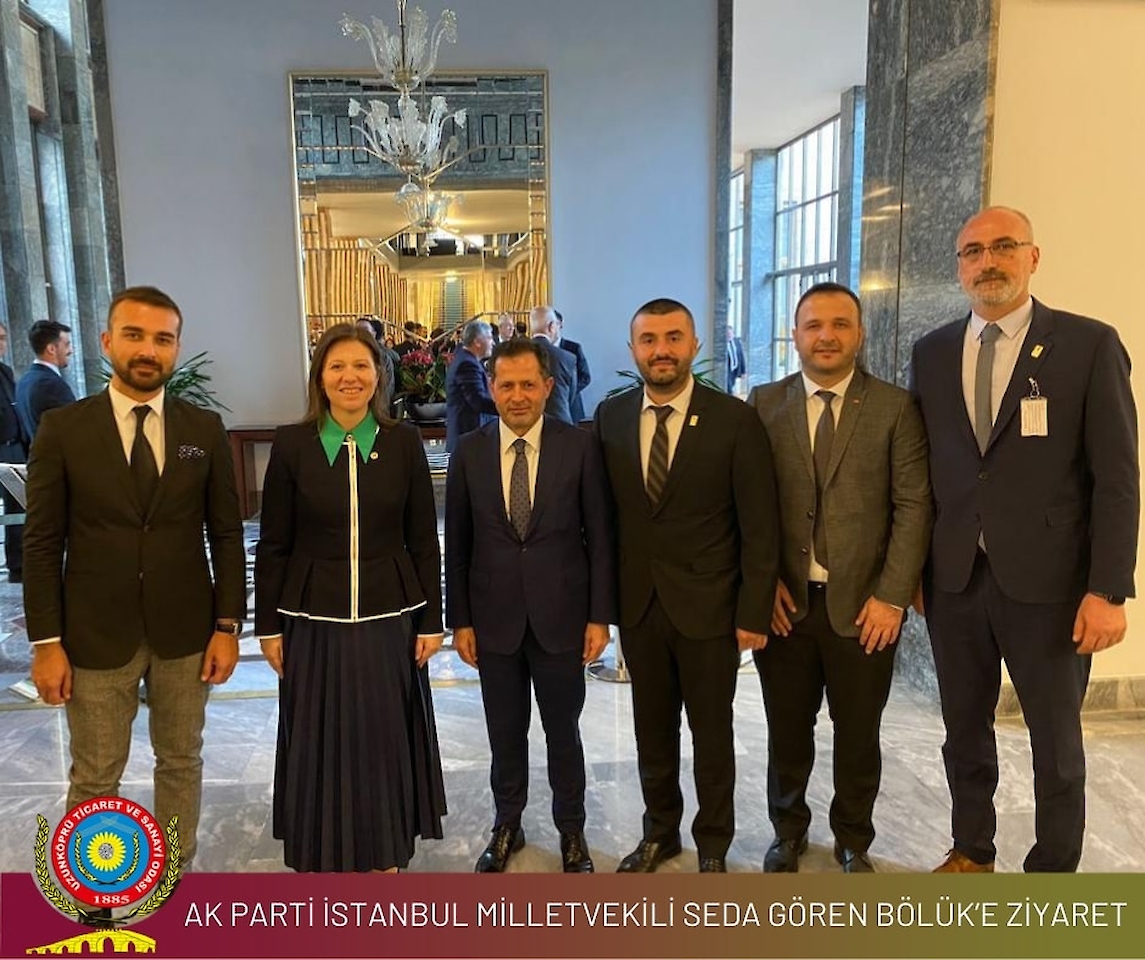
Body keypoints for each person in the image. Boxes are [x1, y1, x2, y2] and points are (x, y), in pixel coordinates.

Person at [910, 206, 1138, 873]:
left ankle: (1051, 873)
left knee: (1055, 744)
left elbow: (1117, 479)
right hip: (955, 581)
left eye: (1003, 246)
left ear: (1032, 257)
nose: (988, 262)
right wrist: (916, 576)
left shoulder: (1087, 345)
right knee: (962, 731)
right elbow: (922, 473)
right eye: (973, 251)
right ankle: (971, 850)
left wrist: (1107, 589)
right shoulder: (931, 352)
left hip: (1052, 586)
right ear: (959, 267)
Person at [24, 286, 246, 867]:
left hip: (186, 633)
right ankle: (95, 895)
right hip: (94, 635)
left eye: (162, 339)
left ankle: (172, 884)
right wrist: (46, 642)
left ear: (176, 348)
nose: (148, 349)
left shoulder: (203, 429)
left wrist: (227, 626)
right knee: (96, 774)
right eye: (134, 335)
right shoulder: (64, 429)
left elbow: (226, 534)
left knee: (181, 761)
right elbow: (42, 542)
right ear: (107, 341)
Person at [748, 282, 932, 873]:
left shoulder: (894, 407)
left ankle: (853, 837)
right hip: (786, 606)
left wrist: (892, 597)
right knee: (787, 730)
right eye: (814, 325)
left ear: (859, 334)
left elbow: (913, 506)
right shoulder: (764, 403)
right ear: (795, 335)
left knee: (858, 734)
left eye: (840, 324)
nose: (826, 336)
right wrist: (761, 586)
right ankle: (788, 831)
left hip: (864, 608)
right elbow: (747, 506)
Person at [594, 297, 779, 873]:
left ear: (694, 345)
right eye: (649, 340)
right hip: (640, 608)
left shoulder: (734, 419)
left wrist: (753, 611)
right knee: (651, 732)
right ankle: (660, 833)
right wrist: (602, 608)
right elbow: (602, 522)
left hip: (711, 609)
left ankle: (714, 845)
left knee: (712, 734)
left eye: (674, 337)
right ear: (633, 350)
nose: (662, 350)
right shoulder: (611, 417)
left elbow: (759, 525)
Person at [255, 323, 446, 872]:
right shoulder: (292, 444)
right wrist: (267, 626)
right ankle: (322, 854)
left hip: (390, 619)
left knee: (383, 738)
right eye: (336, 366)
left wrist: (431, 620)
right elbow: (274, 542)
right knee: (319, 738)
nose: (349, 377)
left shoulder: (403, 442)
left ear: (379, 375)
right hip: (311, 620)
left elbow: (422, 539)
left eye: (361, 365)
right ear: (320, 377)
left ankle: (385, 852)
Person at [445, 338, 616, 873]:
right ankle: (507, 824)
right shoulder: (469, 452)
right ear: (491, 388)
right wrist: (460, 621)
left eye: (527, 384)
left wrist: (600, 616)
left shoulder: (579, 447)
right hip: (493, 621)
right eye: (506, 385)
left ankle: (572, 830)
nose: (517, 395)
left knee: (564, 733)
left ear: (548, 386)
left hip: (562, 619)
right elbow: (458, 545)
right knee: (504, 733)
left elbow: (601, 538)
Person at [16, 319, 76, 442]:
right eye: (66, 345)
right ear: (51, 349)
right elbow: (74, 428)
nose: (71, 350)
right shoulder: (51, 385)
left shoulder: (24, 381)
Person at [445, 319, 498, 453]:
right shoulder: (467, 364)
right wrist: (505, 408)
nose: (493, 342)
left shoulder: (466, 359)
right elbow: (477, 400)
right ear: (477, 342)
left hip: (468, 438)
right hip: (469, 438)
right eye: (489, 338)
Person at [0, 325, 27, 583]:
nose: (2, 343)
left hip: (13, 447)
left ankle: (17, 564)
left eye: (3, 338)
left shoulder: (5, 371)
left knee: (17, 505)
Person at [528, 306, 575, 425]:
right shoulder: (567, 358)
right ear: (551, 326)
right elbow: (571, 396)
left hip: (528, 423)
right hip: (561, 423)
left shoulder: (516, 356)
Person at [553, 310, 592, 422]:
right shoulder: (538, 349)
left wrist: (566, 391)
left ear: (560, 324)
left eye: (553, 323)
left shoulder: (573, 348)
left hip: (571, 406)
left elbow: (585, 377)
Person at [355, 317, 397, 412]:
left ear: (373, 334)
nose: (361, 334)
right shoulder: (345, 357)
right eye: (357, 330)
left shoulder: (384, 358)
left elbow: (387, 388)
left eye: (365, 330)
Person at [726, 324, 746, 394]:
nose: (729, 335)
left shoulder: (736, 342)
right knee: (729, 389)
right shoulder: (723, 345)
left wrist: (743, 371)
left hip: (734, 370)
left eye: (730, 333)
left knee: (731, 385)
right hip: (727, 370)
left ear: (733, 334)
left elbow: (741, 356)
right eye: (727, 334)